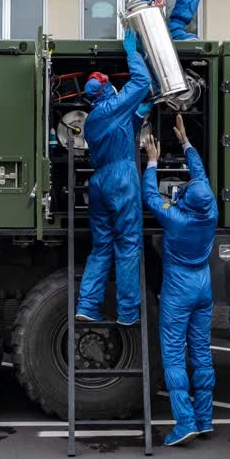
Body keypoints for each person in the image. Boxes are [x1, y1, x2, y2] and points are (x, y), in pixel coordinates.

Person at [141, 115, 219, 446]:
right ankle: (204, 419)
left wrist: (152, 162)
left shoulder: (176, 218)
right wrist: (186, 143)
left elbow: (149, 196)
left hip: (178, 290)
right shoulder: (210, 211)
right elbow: (200, 176)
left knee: (174, 355)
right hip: (203, 287)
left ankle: (184, 421)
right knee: (201, 352)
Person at [74, 29, 151, 326]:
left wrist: (140, 111)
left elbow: (124, 128)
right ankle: (128, 312)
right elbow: (142, 83)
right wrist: (133, 52)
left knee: (102, 245)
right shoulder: (113, 106)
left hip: (99, 183)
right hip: (121, 177)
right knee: (128, 243)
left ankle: (88, 305)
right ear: (107, 88)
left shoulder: (94, 119)